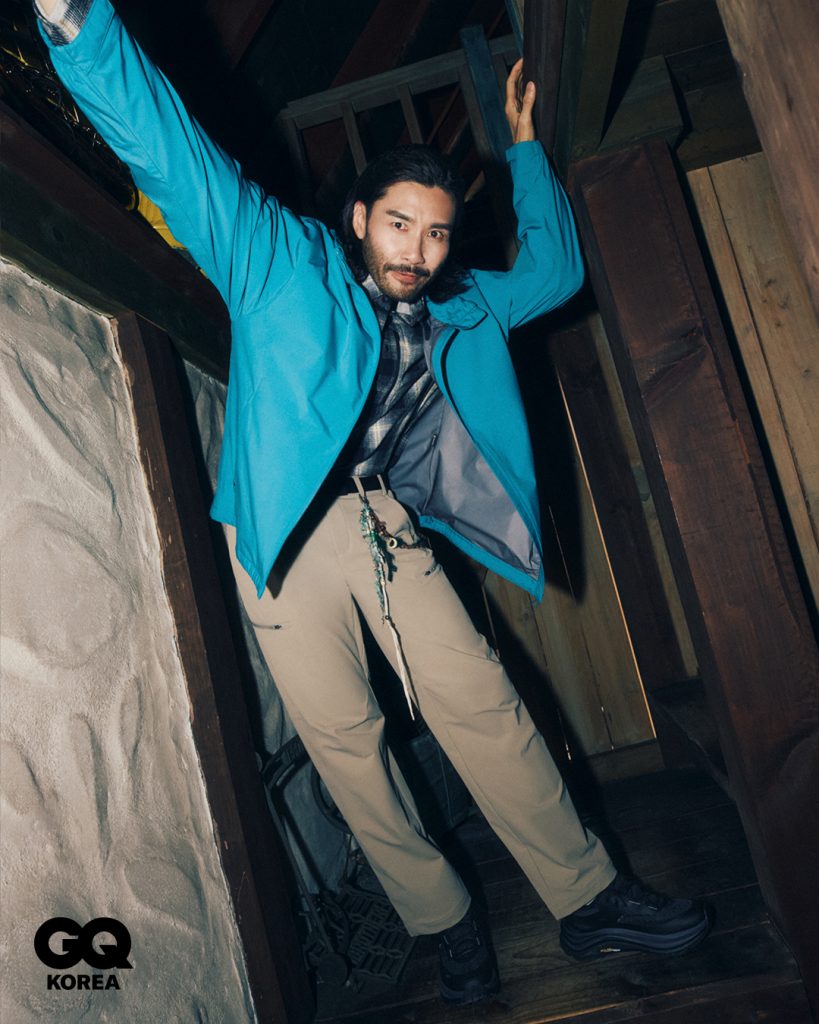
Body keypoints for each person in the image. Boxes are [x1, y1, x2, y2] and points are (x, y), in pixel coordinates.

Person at [36, 0, 711, 1005]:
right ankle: (446, 923)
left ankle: (590, 898)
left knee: (482, 699)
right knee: (348, 746)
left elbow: (557, 270)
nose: (418, 250)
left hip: (378, 521)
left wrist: (525, 151)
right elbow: (176, 155)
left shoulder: (462, 303)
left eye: (436, 233)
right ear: (358, 218)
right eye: (400, 223)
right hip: (280, 537)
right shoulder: (280, 263)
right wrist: (77, 24)